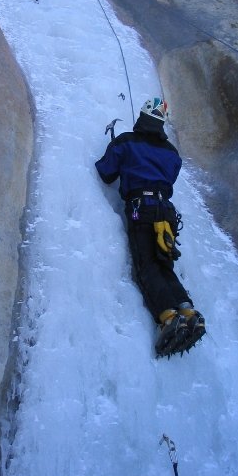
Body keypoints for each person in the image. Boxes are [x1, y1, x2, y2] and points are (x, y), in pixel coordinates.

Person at [95, 97, 205, 357]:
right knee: (163, 264)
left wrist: (114, 145)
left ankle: (168, 317)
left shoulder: (126, 141)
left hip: (139, 208)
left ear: (141, 117)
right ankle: (188, 312)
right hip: (165, 211)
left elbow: (105, 172)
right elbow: (170, 177)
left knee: (146, 266)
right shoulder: (171, 153)